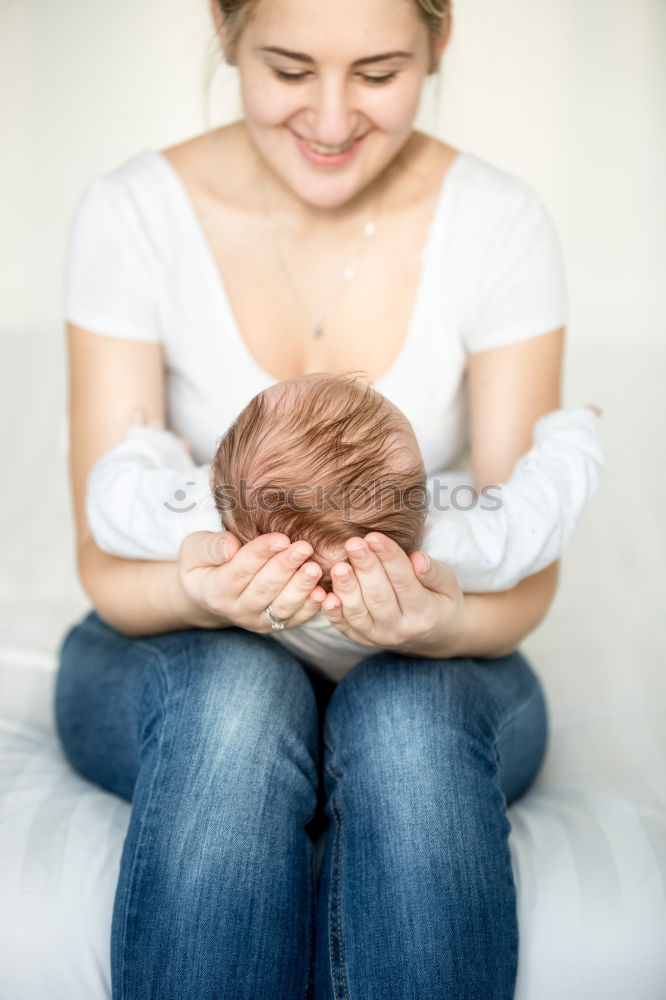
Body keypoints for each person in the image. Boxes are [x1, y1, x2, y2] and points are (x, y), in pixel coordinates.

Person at [53, 0, 584, 996]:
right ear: (224, 27)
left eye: (379, 74)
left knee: (406, 722)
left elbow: (524, 566)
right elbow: (108, 556)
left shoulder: (500, 224)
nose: (333, 119)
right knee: (239, 699)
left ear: (440, 39)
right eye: (291, 70)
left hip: (435, 650)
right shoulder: (132, 214)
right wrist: (207, 593)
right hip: (171, 637)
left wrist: (433, 621)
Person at [84, 372, 603, 681]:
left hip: (258, 668)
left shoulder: (200, 519)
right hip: (385, 674)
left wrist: (151, 445)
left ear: (217, 473)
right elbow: (538, 515)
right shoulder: (445, 547)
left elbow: (111, 500)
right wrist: (571, 434)